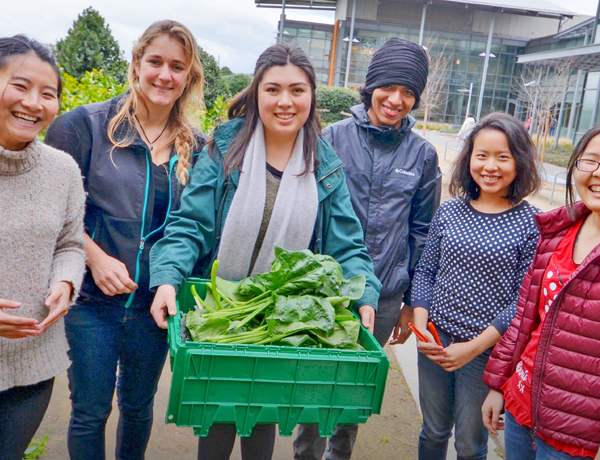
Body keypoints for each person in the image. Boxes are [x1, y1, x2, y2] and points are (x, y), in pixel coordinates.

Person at [146, 43, 382, 460]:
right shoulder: (226, 147)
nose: (285, 101)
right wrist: (167, 276)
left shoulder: (324, 165)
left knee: (264, 417)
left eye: (297, 90)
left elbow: (348, 244)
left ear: (312, 95)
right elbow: (191, 223)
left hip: (280, 319)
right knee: (216, 420)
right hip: (221, 310)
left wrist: (364, 294)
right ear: (257, 93)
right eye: (273, 89)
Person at [43, 21, 205, 460]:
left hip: (154, 305)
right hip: (92, 303)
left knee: (137, 407)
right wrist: (94, 258)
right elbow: (53, 209)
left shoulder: (198, 146)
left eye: (178, 66)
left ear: (189, 78)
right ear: (136, 64)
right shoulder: (84, 127)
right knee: (90, 410)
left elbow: (194, 228)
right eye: (155, 62)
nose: (164, 75)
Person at [479, 122, 600, 459]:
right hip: (521, 408)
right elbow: (526, 319)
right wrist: (500, 383)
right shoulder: (557, 231)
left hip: (580, 436)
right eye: (590, 161)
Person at [300, 36, 441, 460]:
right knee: (310, 384)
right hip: (324, 290)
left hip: (383, 295)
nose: (396, 100)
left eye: (408, 93)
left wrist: (409, 302)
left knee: (354, 387)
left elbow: (422, 233)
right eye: (390, 88)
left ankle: (337, 454)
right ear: (371, 86)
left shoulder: (423, 155)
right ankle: (305, 454)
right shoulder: (331, 138)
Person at [406, 113, 542, 460]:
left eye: (503, 156)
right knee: (433, 432)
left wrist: (472, 348)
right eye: (481, 155)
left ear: (519, 162)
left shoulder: (531, 223)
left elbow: (523, 301)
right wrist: (422, 330)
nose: (490, 166)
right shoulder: (449, 212)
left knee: (469, 444)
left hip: (484, 353)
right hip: (435, 341)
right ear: (469, 160)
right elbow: (425, 273)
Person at [0, 34, 87, 460]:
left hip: (32, 363)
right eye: (20, 86)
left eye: (48, 93)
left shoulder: (61, 169)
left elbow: (70, 243)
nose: (34, 103)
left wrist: (67, 282)